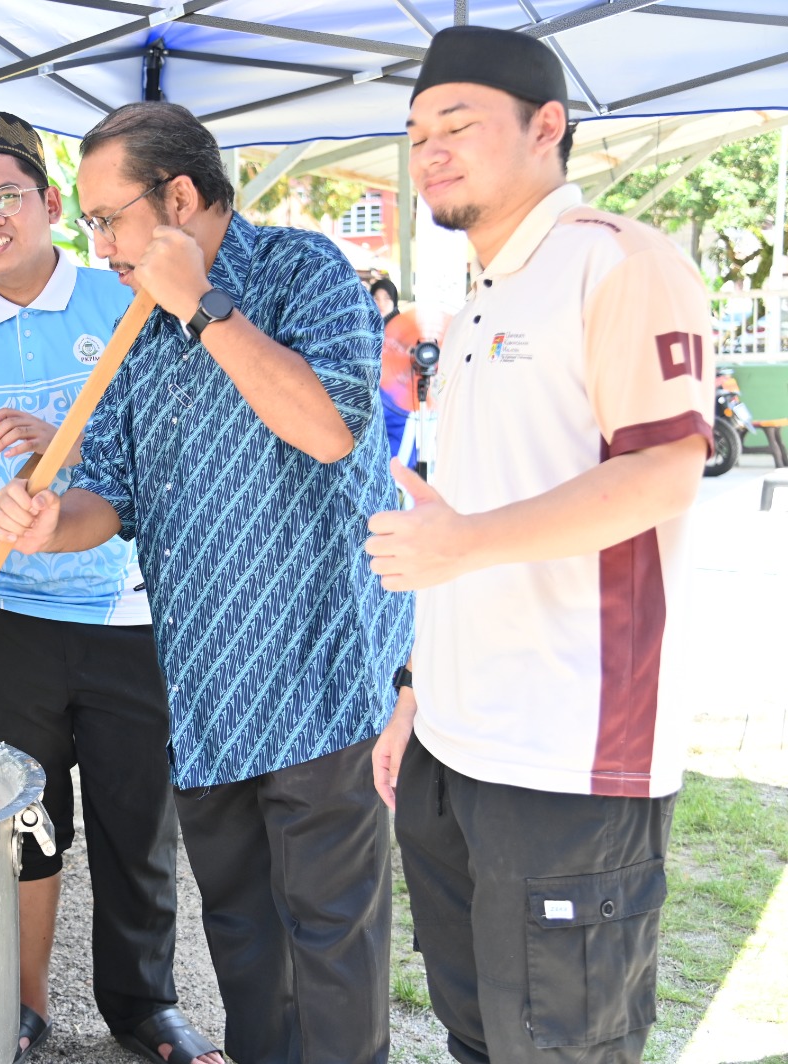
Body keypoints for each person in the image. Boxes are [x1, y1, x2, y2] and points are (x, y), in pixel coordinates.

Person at [0, 101, 415, 1064]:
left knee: (332, 957)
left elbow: (329, 427)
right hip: (209, 689)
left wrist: (204, 305)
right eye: (89, 224)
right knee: (247, 949)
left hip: (320, 679)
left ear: (179, 196)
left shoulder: (303, 272)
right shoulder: (140, 329)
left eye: (107, 219)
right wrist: (54, 526)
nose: (97, 246)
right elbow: (119, 500)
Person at [366, 26, 713, 1064]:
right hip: (454, 741)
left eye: (457, 124)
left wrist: (462, 542)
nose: (429, 148)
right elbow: (469, 508)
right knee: (478, 1035)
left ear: (546, 126)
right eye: (417, 129)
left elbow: (662, 472)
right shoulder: (478, 293)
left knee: (560, 1047)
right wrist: (416, 692)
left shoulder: (618, 262)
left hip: (567, 751)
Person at [0, 112, 213, 1064]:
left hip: (130, 610)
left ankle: (145, 1007)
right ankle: (25, 1003)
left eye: (7, 197)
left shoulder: (124, 300)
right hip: (3, 618)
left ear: (51, 203)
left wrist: (67, 430)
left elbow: (175, 445)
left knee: (133, 822)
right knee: (22, 822)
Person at [370, 276, 420, 466]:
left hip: (398, 399)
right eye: (376, 298)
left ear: (394, 301)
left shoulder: (405, 330)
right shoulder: (363, 326)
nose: (381, 303)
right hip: (373, 398)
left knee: (399, 453)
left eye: (387, 298)